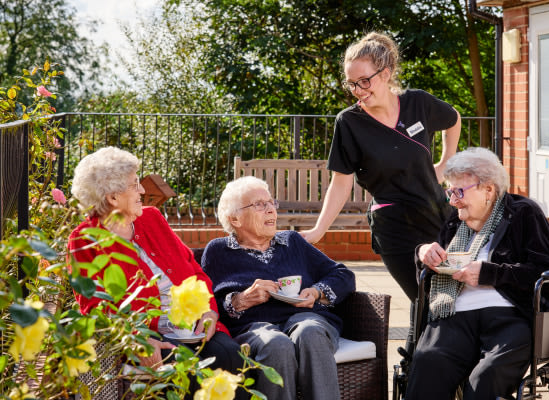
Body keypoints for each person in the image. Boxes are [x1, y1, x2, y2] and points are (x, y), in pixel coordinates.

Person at [67, 147, 244, 399]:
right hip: (151, 336)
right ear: (113, 198)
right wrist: (138, 339)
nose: (142, 191)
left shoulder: (152, 218)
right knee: (189, 374)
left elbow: (193, 269)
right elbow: (94, 305)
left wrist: (209, 310)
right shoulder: (84, 240)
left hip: (193, 328)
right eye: (135, 185)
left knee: (232, 357)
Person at [300, 31, 461, 307]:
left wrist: (446, 161)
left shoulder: (417, 103)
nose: (359, 90)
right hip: (393, 226)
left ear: (385, 74)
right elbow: (341, 183)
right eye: (351, 84)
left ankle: (418, 350)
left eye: (365, 81)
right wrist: (317, 230)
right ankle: (424, 350)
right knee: (426, 300)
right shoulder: (349, 122)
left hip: (437, 215)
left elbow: (453, 118)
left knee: (453, 298)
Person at [406, 147, 549, 399]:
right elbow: (430, 274)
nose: (452, 200)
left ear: (489, 190)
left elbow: (546, 272)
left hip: (511, 315)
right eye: (450, 192)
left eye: (459, 192)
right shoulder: (454, 222)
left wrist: (489, 273)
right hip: (454, 314)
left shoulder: (523, 213)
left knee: (485, 378)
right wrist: (423, 253)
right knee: (428, 363)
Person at [201, 176, 356, 400]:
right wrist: (242, 299)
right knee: (276, 344)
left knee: (309, 332)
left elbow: (343, 275)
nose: (271, 210)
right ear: (235, 219)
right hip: (254, 328)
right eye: (259, 205)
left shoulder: (292, 241)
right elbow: (209, 303)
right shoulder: (218, 251)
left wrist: (317, 292)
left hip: (307, 318)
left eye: (271, 203)